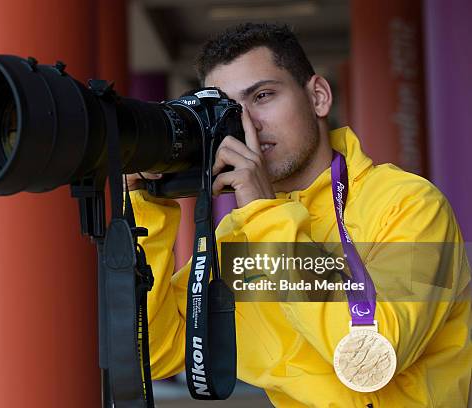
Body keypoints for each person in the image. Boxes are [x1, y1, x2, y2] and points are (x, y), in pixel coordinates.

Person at [126, 23, 470, 407]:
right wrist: (148, 207)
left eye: (263, 95)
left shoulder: (410, 204)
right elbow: (154, 353)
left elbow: (372, 357)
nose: (248, 124)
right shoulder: (243, 236)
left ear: (318, 97)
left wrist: (262, 215)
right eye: (229, 111)